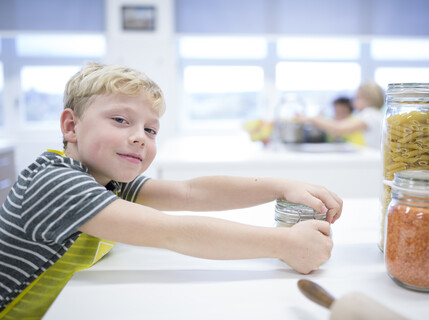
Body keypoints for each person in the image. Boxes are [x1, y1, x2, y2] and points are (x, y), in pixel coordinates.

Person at [0, 62, 342, 319]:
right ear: (71, 126)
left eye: (150, 130)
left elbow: (192, 192)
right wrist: (283, 244)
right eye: (120, 120)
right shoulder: (56, 183)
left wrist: (281, 185)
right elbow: (171, 232)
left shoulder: (106, 181)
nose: (139, 137)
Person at [297, 82, 385, 149]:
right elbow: (339, 124)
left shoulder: (370, 114)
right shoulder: (372, 114)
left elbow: (338, 128)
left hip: (373, 160)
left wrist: (312, 119)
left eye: (357, 97)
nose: (353, 102)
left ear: (367, 99)